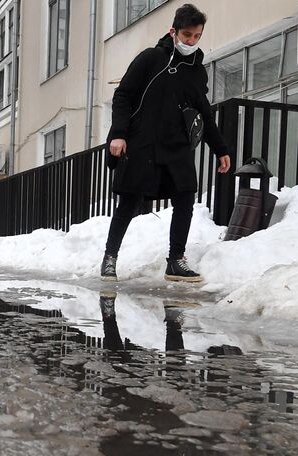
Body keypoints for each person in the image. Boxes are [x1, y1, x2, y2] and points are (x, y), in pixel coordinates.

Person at [101, 3, 230, 283]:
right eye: (187, 35)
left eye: (197, 36)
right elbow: (123, 96)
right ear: (173, 31)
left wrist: (220, 148)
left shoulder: (197, 71)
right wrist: (119, 134)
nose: (191, 41)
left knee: (185, 196)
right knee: (130, 201)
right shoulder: (151, 59)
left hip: (177, 146)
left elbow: (203, 112)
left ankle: (176, 260)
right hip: (143, 143)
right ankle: (110, 258)